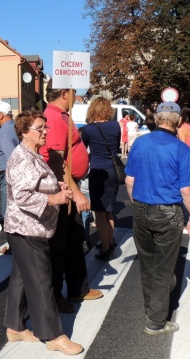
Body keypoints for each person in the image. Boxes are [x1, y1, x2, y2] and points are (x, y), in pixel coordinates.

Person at [3, 111, 83, 355]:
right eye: (40, 128)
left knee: (21, 277)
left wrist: (54, 186)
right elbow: (22, 195)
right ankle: (52, 335)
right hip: (28, 228)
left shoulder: (32, 155)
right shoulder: (22, 158)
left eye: (45, 127)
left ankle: (15, 326)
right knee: (41, 282)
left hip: (29, 227)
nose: (45, 131)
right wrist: (55, 197)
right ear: (25, 132)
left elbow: (34, 184)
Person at [125, 101, 190, 335]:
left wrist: (138, 204)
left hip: (140, 209)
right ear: (178, 121)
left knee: (147, 263)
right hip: (167, 213)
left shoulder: (139, 143)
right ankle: (156, 321)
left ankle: (151, 308)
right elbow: (187, 191)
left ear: (157, 119)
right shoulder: (180, 149)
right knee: (164, 269)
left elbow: (130, 181)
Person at [41, 84, 102, 314]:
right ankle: (55, 297)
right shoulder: (54, 118)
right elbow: (57, 161)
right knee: (59, 246)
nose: (76, 96)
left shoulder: (62, 116)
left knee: (74, 240)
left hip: (68, 187)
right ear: (65, 93)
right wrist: (76, 193)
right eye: (74, 92)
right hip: (63, 189)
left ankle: (78, 288)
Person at [80, 97, 121, 261]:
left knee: (99, 213)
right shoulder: (115, 125)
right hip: (113, 170)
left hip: (97, 171)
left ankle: (105, 248)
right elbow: (116, 145)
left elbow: (81, 148)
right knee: (109, 209)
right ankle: (110, 242)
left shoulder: (89, 129)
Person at [0, 100, 20, 253]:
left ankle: (13, 246)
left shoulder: (4, 131)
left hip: (7, 175)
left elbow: (11, 158)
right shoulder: (14, 127)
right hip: (11, 175)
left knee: (7, 210)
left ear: (1, 114)